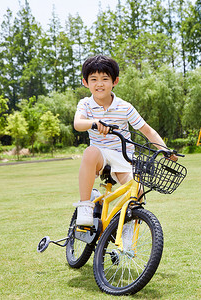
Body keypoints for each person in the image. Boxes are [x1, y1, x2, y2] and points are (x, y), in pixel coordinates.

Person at [73, 55, 176, 226]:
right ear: (85, 82)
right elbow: (78, 123)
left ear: (115, 81)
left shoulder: (124, 107)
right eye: (94, 79)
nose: (100, 84)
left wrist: (165, 150)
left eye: (105, 79)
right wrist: (94, 123)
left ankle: (128, 231)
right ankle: (85, 205)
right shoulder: (85, 104)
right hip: (100, 155)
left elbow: (147, 130)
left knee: (138, 192)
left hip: (123, 156)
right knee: (90, 151)